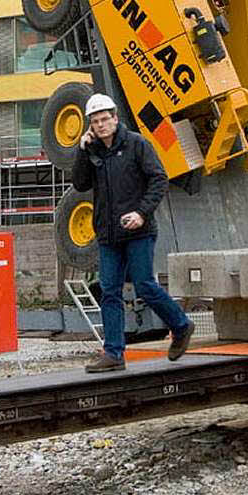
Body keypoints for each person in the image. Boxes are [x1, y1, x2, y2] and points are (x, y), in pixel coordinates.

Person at [72, 93, 194, 373]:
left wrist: (141, 213)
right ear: (90, 125)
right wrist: (81, 150)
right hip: (109, 234)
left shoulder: (137, 144)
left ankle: (181, 325)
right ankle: (114, 354)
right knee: (110, 292)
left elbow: (159, 179)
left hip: (139, 231)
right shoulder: (92, 153)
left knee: (145, 286)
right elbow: (79, 184)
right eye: (95, 121)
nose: (101, 125)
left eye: (105, 119)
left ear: (115, 119)